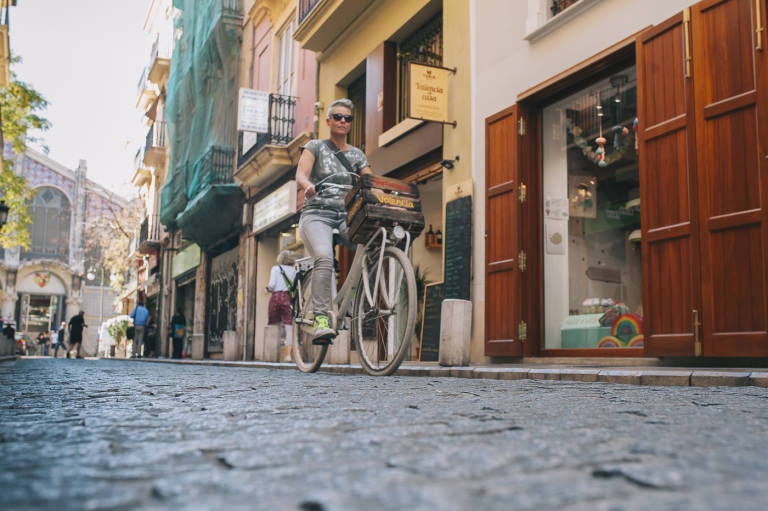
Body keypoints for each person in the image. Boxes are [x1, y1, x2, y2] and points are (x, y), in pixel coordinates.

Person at [295, 98, 372, 343]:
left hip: (346, 216)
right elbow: (301, 174)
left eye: (347, 118)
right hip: (317, 214)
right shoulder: (315, 146)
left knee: (373, 248)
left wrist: (380, 195)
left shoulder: (358, 155)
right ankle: (320, 319)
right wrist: (307, 186)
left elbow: (370, 183)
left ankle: (348, 304)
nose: (342, 121)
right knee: (325, 259)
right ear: (328, 120)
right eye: (337, 117)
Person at [266, 250, 297, 360]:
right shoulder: (294, 270)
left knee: (273, 325)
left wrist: (268, 288)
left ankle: (271, 354)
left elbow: (272, 285)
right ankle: (288, 355)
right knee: (289, 328)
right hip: (287, 299)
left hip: (275, 298)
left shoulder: (275, 269)